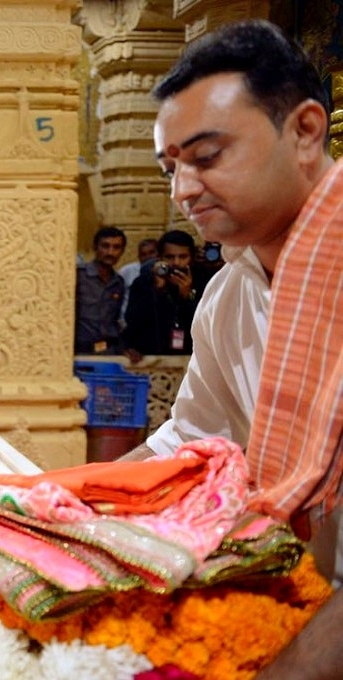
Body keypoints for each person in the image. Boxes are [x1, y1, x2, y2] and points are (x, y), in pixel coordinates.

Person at [132, 20, 343, 677]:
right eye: (172, 168)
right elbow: (191, 446)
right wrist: (37, 510)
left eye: (206, 155)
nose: (181, 191)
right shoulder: (230, 295)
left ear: (306, 131)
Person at [122, 230, 201, 361]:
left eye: (183, 257)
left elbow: (203, 324)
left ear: (191, 258)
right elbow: (133, 321)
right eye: (169, 257)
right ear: (160, 258)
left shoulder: (200, 281)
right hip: (151, 357)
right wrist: (158, 290)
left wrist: (187, 296)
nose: (176, 262)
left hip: (187, 357)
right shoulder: (144, 282)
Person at [74, 226, 127, 354]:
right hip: (79, 351)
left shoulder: (118, 283)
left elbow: (116, 319)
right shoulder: (79, 275)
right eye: (105, 246)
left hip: (107, 351)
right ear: (95, 247)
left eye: (116, 247)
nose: (110, 252)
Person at [117, 237, 158, 323]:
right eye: (144, 254)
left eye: (151, 252)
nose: (148, 257)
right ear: (139, 257)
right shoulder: (126, 271)